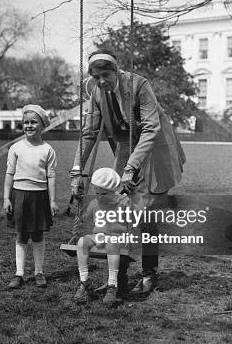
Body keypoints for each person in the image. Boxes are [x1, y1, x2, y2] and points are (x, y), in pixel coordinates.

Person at [70, 49, 185, 295]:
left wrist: (132, 168)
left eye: (106, 74)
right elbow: (89, 132)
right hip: (126, 148)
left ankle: (149, 275)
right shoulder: (96, 93)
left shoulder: (140, 85)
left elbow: (151, 128)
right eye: (96, 76)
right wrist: (76, 171)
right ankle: (117, 279)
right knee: (116, 209)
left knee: (145, 215)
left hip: (154, 151)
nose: (102, 81)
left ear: (116, 70)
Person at [4, 104, 58, 289]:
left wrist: (52, 201)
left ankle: (39, 272)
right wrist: (6, 198)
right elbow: (9, 174)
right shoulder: (16, 148)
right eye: (26, 122)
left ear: (42, 125)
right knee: (21, 235)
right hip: (20, 195)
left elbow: (51, 176)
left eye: (34, 122)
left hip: (40, 196)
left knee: (37, 235)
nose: (29, 126)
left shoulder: (47, 150)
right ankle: (19, 274)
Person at [74, 167, 140, 306]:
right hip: (99, 236)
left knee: (111, 243)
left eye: (103, 193)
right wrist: (80, 202)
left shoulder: (124, 202)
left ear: (114, 190)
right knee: (81, 242)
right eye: (96, 192)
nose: (99, 196)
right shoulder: (95, 203)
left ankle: (112, 285)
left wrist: (134, 196)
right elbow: (84, 218)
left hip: (118, 239)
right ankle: (84, 282)